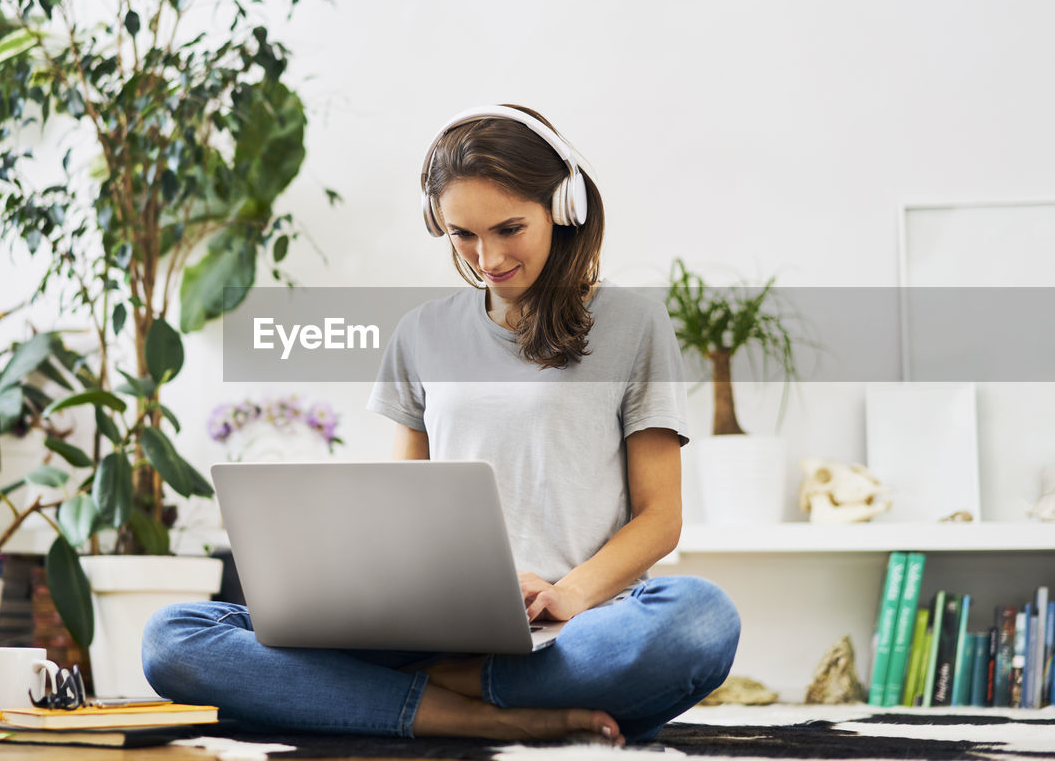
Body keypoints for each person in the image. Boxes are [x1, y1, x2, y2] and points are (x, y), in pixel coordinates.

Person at [142, 105, 740, 745]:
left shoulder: (634, 325)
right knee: (172, 637)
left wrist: (566, 596)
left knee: (701, 620)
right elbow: (406, 508)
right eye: (463, 235)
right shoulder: (422, 333)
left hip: (574, 626)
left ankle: (407, 697)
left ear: (563, 208)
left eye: (510, 228)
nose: (488, 258)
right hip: (427, 631)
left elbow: (661, 516)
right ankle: (473, 712)